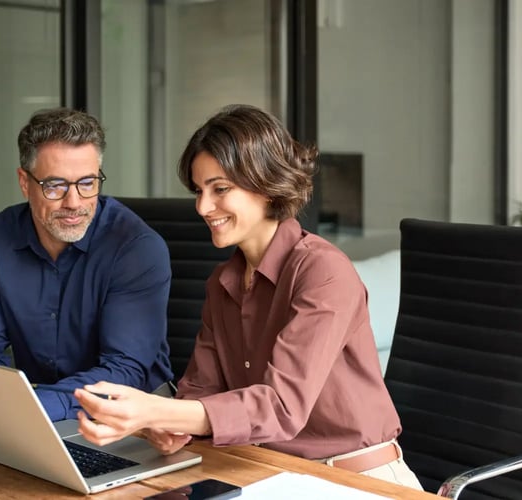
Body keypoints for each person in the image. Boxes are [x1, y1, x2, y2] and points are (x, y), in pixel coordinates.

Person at [74, 104, 422, 489]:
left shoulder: (323, 271)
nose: (203, 207)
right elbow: (200, 389)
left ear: (267, 183)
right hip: (271, 473)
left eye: (220, 189)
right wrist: (169, 424)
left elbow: (281, 407)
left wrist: (161, 410)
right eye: (199, 190)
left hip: (359, 480)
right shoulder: (223, 282)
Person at [0, 107, 174, 421]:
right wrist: (2, 409)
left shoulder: (136, 248)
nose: (74, 202)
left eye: (87, 183)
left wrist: (29, 409)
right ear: (24, 182)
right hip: (36, 409)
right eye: (55, 185)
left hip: (133, 417)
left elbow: (124, 371)